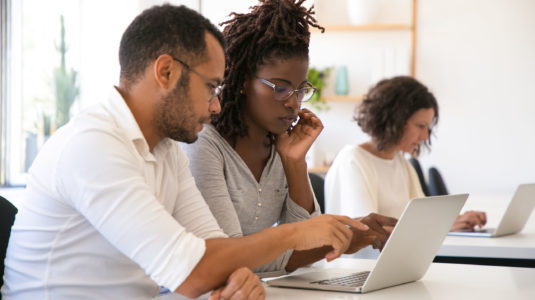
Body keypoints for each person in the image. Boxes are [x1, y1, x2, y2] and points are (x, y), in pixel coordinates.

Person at [1, 5, 369, 300]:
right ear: (165, 72)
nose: (215, 107)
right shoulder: (93, 146)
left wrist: (238, 281)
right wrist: (296, 234)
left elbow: (215, 249)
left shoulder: (167, 149)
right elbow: (193, 273)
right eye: (210, 87)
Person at [181, 0, 397, 276]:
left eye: (301, 90)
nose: (294, 103)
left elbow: (311, 243)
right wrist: (347, 238)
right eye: (281, 89)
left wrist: (294, 163)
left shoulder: (280, 144)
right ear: (245, 81)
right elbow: (229, 257)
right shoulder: (203, 145)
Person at [325, 76, 486, 232]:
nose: (425, 136)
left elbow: (425, 219)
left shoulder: (400, 161)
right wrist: (442, 227)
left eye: (427, 128)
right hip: (367, 259)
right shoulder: (353, 160)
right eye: (420, 126)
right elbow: (367, 232)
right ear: (394, 121)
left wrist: (458, 220)